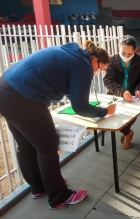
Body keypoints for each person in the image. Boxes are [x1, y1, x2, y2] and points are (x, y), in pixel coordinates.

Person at [0, 40, 116, 210]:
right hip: (24, 96)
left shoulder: (71, 54)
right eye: (101, 68)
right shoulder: (83, 65)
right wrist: (105, 112)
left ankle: (39, 187)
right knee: (47, 145)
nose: (99, 72)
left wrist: (87, 107)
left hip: (5, 89)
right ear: (94, 60)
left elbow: (72, 95)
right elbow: (80, 106)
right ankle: (59, 196)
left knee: (26, 144)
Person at [103, 35, 140, 149]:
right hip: (115, 95)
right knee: (112, 116)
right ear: (119, 48)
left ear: (135, 51)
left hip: (134, 96)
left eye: (129, 54)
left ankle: (126, 132)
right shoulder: (112, 60)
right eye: (123, 53)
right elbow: (108, 80)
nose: (126, 56)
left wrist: (139, 89)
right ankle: (128, 133)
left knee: (132, 114)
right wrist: (122, 91)